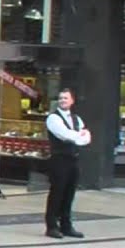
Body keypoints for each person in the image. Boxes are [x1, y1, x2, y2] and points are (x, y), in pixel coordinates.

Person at [45, 88, 91, 239]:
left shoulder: (77, 118)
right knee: (57, 193)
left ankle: (66, 225)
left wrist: (79, 137)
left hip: (73, 159)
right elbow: (64, 135)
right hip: (59, 160)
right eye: (60, 98)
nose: (62, 100)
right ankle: (51, 226)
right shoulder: (53, 118)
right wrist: (78, 136)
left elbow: (87, 137)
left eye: (65, 98)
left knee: (69, 193)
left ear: (72, 101)